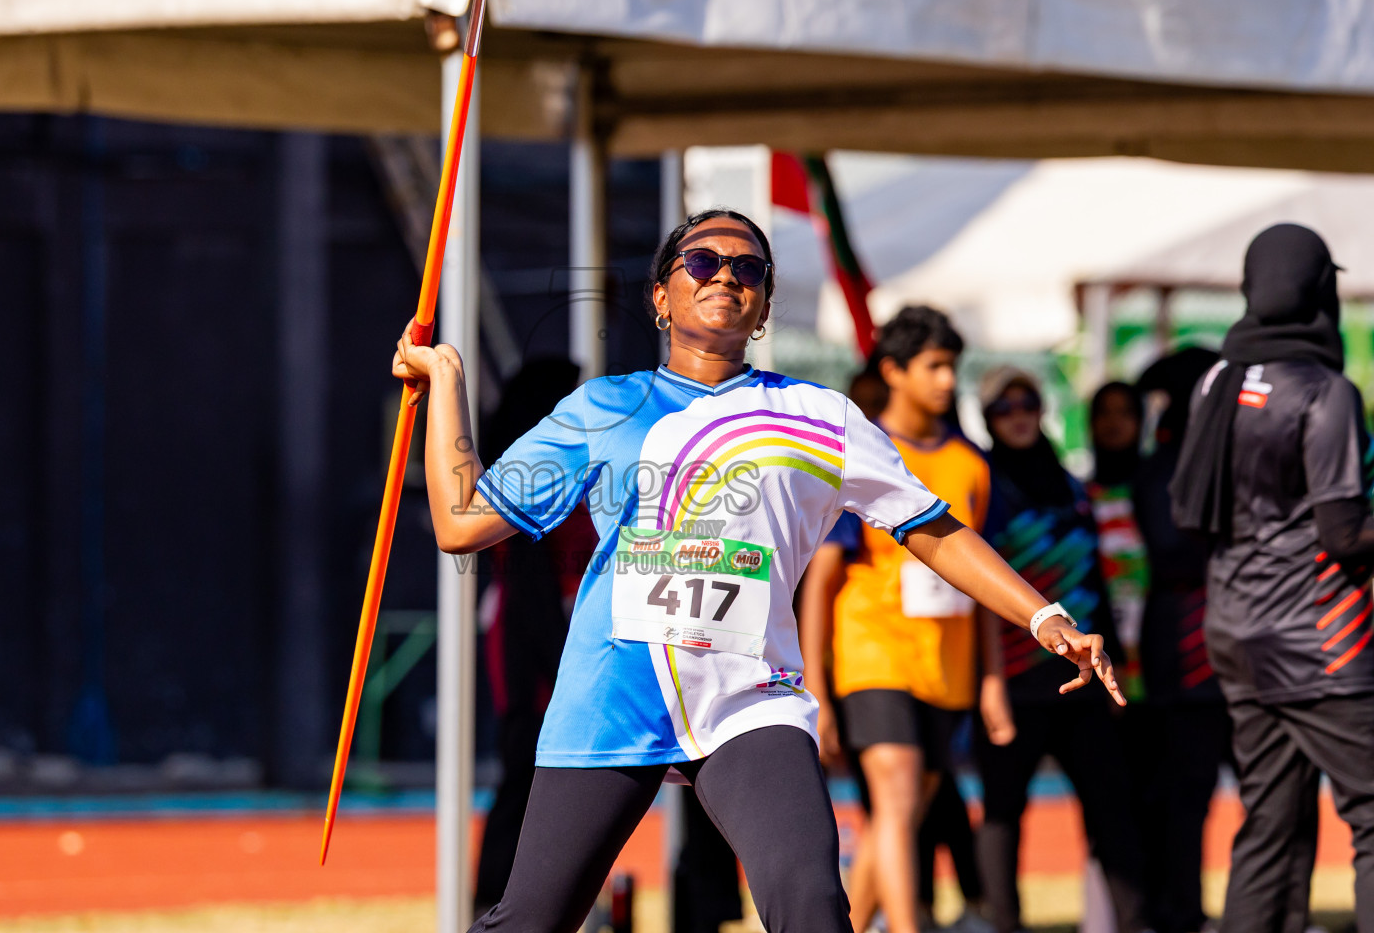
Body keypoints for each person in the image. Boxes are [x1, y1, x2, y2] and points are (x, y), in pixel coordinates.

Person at [392, 208, 1124, 933]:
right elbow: (461, 524)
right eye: (703, 263)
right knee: (530, 921)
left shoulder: (820, 417)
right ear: (660, 296)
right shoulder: (604, 407)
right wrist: (445, 376)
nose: (727, 277)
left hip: (750, 701)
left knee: (811, 906)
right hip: (611, 696)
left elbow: (930, 527)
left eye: (749, 269)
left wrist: (1044, 614)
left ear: (766, 305)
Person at [1170, 223, 1374, 933]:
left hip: (1233, 631)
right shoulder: (1325, 390)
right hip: (1318, 637)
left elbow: (1193, 507)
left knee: (1271, 821)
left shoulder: (1217, 379)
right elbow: (1345, 535)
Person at [799, 305, 992, 933]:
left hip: (946, 665)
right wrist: (816, 689)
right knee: (898, 797)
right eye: (933, 367)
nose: (946, 381)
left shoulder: (970, 465)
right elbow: (822, 583)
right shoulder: (859, 455)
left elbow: (981, 574)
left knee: (898, 816)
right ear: (894, 371)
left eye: (951, 368)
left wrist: (991, 683)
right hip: (873, 654)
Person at [973, 366, 1147, 933]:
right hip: (1015, 682)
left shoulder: (1070, 483)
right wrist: (991, 682)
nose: (1018, 415)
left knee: (1113, 814)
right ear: (989, 419)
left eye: (1027, 403)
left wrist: (1114, 665)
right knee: (1002, 816)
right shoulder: (982, 483)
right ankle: (1005, 925)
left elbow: (1093, 577)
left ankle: (1131, 923)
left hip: (1084, 683)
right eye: (1004, 408)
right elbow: (975, 593)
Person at [474, 358, 594, 916]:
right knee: (525, 775)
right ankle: (499, 904)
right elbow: (528, 585)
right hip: (535, 644)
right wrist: (558, 661)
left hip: (552, 637)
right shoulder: (533, 470)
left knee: (535, 780)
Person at [1127, 347, 1232, 933]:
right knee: (1183, 795)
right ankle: (1179, 913)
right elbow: (1171, 554)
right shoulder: (1168, 466)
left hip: (1218, 652)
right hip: (1187, 655)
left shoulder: (1203, 459)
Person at [1087, 381, 1149, 699]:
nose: (1115, 422)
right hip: (1099, 639)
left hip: (1156, 646)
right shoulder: (1078, 496)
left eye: (1125, 412)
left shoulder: (1161, 491)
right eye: (1105, 413)